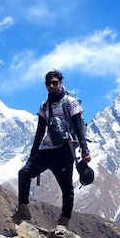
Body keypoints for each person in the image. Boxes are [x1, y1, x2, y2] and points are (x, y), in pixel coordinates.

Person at [12, 70, 91, 229]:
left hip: (64, 150)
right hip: (46, 149)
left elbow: (78, 126)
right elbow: (40, 131)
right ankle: (23, 208)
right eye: (48, 84)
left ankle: (64, 220)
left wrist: (84, 148)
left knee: (66, 187)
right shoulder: (44, 106)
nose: (51, 86)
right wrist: (32, 154)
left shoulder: (70, 102)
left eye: (55, 83)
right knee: (24, 172)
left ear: (60, 82)